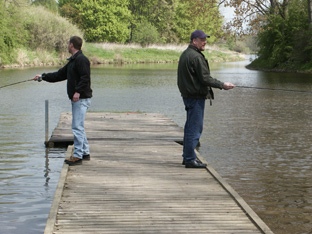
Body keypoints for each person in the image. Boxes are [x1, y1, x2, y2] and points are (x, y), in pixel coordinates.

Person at [177, 30, 235, 168]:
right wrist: (222, 85)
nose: (205, 42)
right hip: (195, 97)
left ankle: (187, 157)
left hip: (189, 96)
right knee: (195, 128)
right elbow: (205, 78)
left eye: (205, 39)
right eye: (202, 39)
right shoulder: (196, 57)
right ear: (194, 41)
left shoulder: (185, 54)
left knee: (190, 127)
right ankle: (190, 159)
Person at [33, 36, 92, 166]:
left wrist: (77, 92)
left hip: (81, 98)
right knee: (79, 127)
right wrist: (42, 77)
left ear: (71, 45)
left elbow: (85, 78)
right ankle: (85, 152)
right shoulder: (72, 61)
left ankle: (77, 156)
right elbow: (59, 75)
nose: (67, 45)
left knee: (77, 127)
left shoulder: (81, 60)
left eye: (68, 44)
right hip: (77, 99)